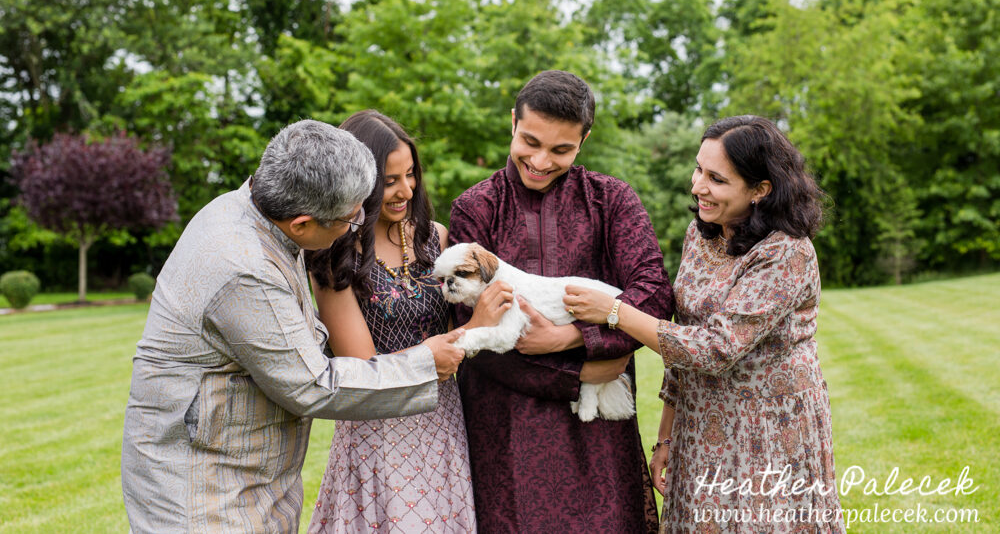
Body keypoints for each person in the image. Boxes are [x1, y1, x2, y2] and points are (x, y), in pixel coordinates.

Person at [121, 120, 466, 534]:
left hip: (247, 472)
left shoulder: (252, 209)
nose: (360, 223)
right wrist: (426, 364)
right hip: (202, 487)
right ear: (302, 224)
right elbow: (313, 385)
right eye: (350, 219)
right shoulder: (243, 266)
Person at [566, 115, 846, 533]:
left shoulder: (787, 252)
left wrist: (615, 311)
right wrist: (665, 438)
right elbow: (683, 341)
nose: (698, 186)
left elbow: (715, 347)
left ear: (759, 190)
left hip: (768, 432)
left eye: (716, 178)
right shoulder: (703, 235)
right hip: (700, 427)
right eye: (699, 169)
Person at [449, 70, 673, 533]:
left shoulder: (611, 200)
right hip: (505, 425)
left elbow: (653, 293)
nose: (540, 160)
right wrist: (578, 373)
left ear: (584, 139)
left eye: (561, 149)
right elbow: (469, 329)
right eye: (530, 141)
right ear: (513, 122)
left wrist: (570, 338)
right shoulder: (476, 208)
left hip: (598, 430)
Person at [305, 111, 508, 532]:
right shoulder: (334, 253)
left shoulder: (435, 238)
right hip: (378, 428)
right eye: (389, 180)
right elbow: (363, 365)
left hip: (442, 420)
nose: (404, 190)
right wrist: (474, 329)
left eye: (410, 175)